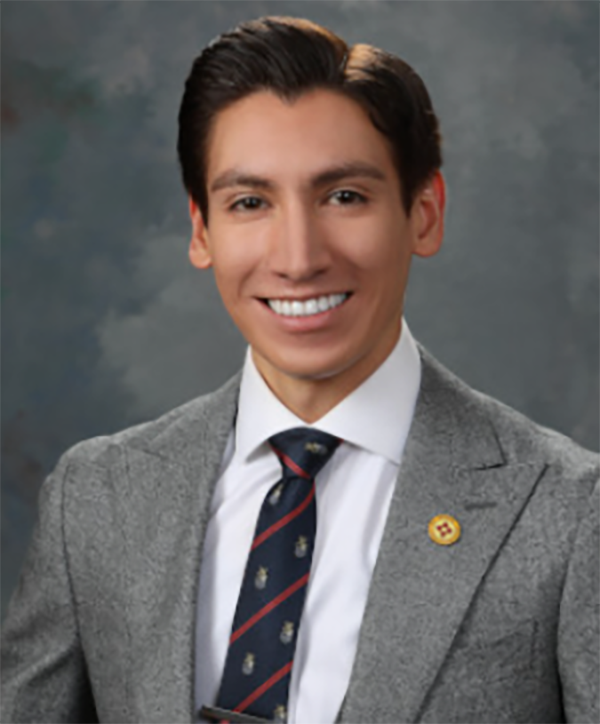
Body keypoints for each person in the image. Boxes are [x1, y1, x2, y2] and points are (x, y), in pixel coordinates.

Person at [1, 15, 599, 724]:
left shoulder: (570, 513)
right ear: (202, 230)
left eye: (344, 196)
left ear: (424, 214)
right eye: (250, 203)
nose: (298, 257)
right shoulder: (95, 499)